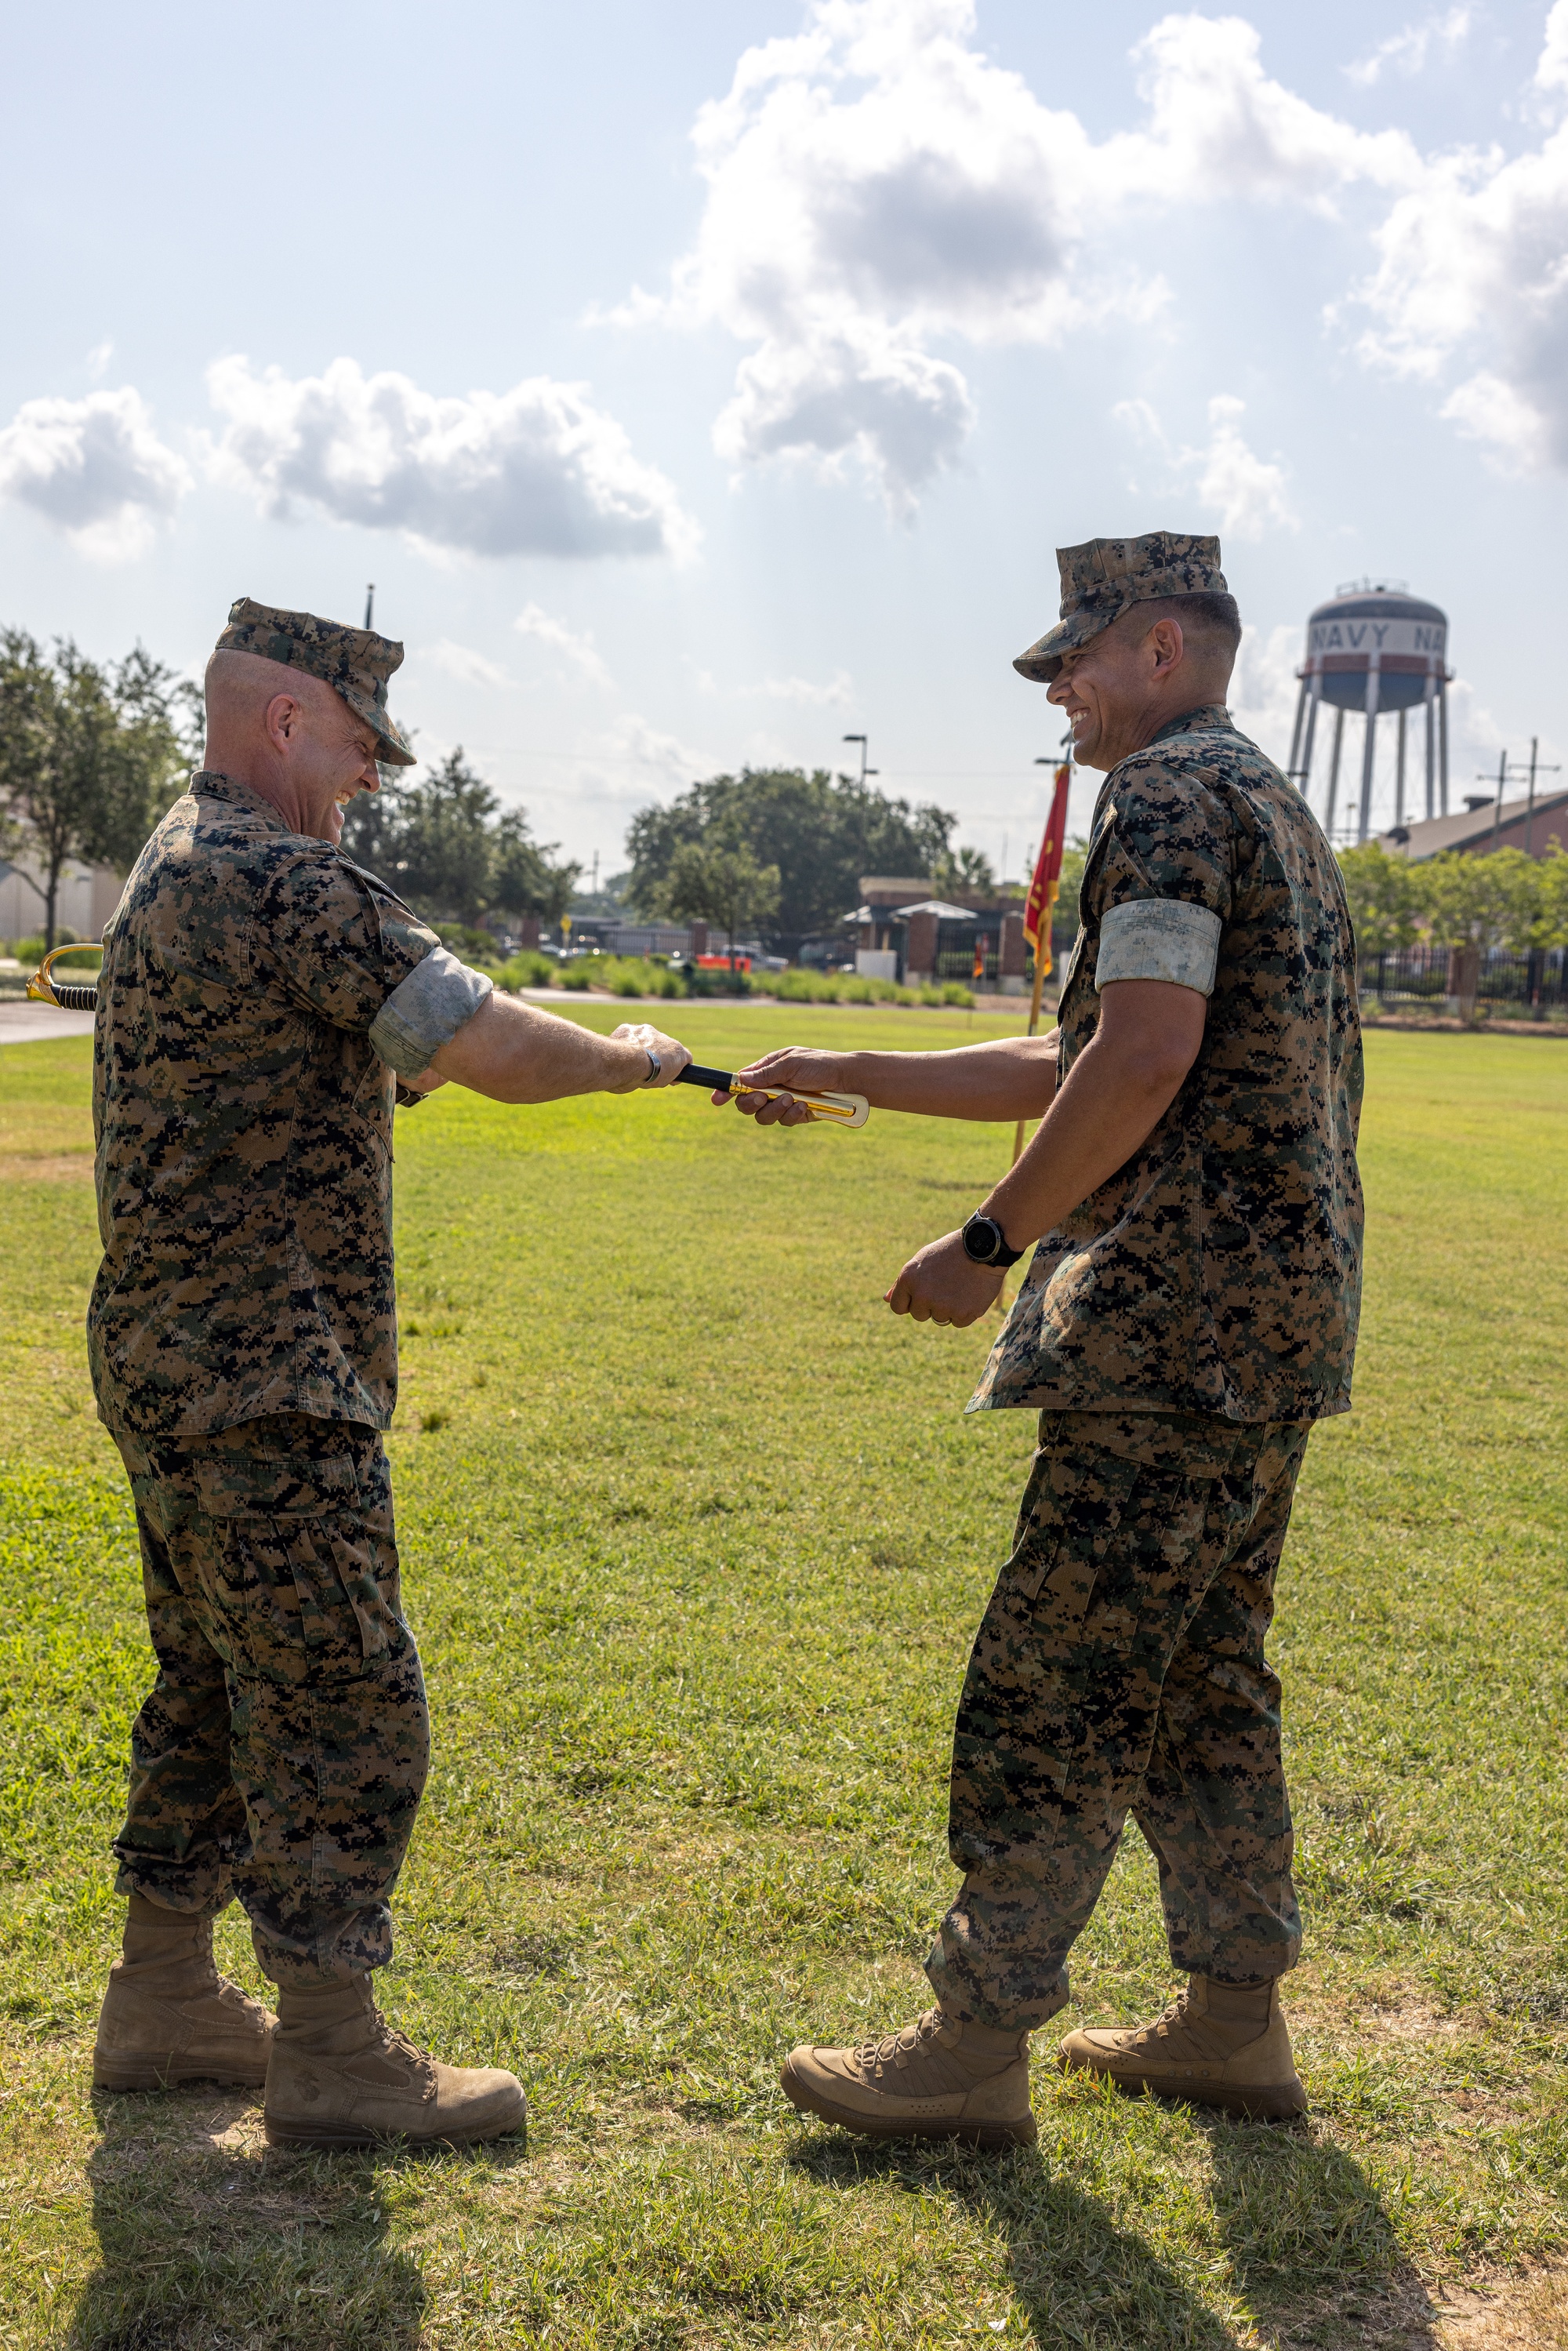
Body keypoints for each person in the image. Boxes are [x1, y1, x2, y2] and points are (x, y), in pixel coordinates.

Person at [723, 533, 1363, 2146]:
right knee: (1204, 1677)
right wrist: (857, 1057)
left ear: (1159, 646)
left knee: (1056, 1680)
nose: (1059, 690)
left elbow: (1139, 1060)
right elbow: (1083, 1047)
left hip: (1165, 1318)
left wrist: (988, 1242)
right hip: (1268, 1322)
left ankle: (970, 2037)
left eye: (1074, 658)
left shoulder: (1161, 798)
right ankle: (1233, 2017)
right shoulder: (1268, 799)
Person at [89, 597, 691, 2149]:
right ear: (286, 717)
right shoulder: (279, 870)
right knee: (346, 1696)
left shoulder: (180, 856)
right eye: (360, 743)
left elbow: (330, 1066)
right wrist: (637, 1058)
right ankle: (336, 2049)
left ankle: (162, 1995)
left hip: (174, 1355)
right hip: (267, 1368)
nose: (368, 777)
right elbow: (477, 1036)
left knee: (214, 1683)